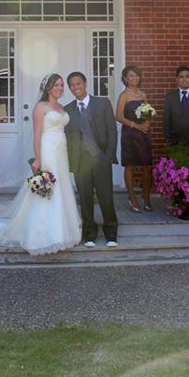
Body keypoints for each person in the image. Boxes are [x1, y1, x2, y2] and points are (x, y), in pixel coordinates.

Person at [0, 73, 82, 255]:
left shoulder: (61, 107)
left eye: (61, 85)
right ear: (48, 88)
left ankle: (62, 230)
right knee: (48, 188)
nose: (59, 88)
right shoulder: (40, 107)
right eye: (56, 85)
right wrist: (38, 159)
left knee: (61, 186)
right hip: (48, 151)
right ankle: (43, 234)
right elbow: (37, 135)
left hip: (61, 152)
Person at [65, 71, 119, 247]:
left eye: (78, 83)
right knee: (85, 198)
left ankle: (111, 233)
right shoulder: (68, 109)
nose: (76, 87)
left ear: (85, 83)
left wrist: (109, 156)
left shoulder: (102, 103)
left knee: (106, 197)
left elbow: (112, 130)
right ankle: (89, 234)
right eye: (72, 85)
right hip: (81, 162)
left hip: (101, 158)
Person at [116, 65, 154, 212]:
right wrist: (136, 126)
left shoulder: (143, 94)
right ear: (125, 78)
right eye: (131, 76)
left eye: (137, 76)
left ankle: (146, 198)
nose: (135, 78)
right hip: (130, 135)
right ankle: (132, 198)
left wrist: (147, 124)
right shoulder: (124, 95)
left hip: (143, 135)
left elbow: (147, 113)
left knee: (147, 166)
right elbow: (118, 116)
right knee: (130, 166)